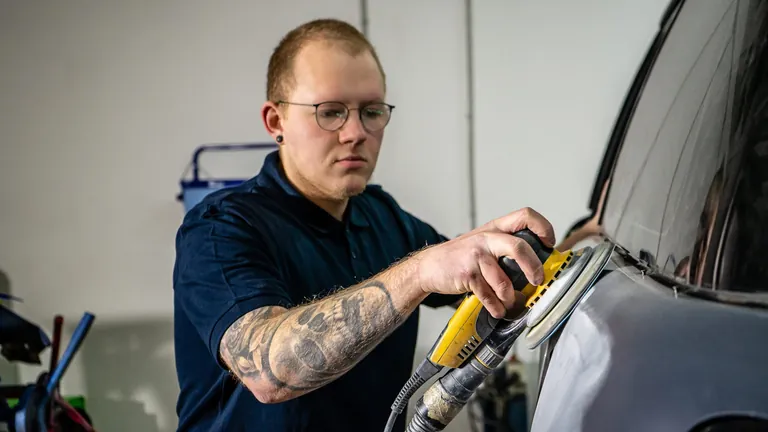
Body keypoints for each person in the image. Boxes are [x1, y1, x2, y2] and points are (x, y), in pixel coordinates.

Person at [172, 18, 562, 432]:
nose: (356, 132)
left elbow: (477, 274)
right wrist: (420, 271)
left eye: (371, 111)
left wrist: (538, 253)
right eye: (331, 112)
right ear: (276, 122)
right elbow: (271, 372)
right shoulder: (219, 229)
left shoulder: (381, 215)